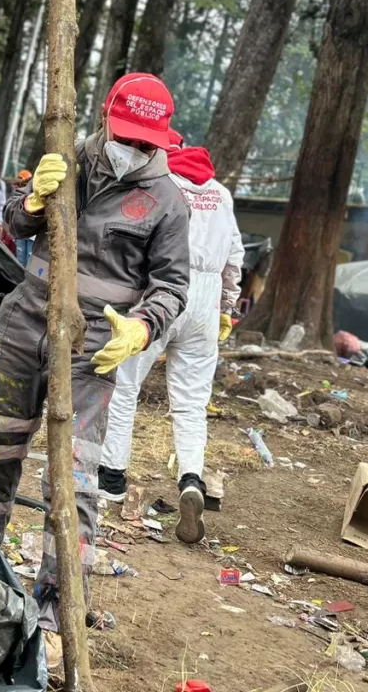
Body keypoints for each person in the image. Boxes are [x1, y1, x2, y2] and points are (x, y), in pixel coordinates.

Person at [0, 72, 190, 671]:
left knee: (74, 481)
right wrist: (34, 199)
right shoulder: (68, 156)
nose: (133, 150)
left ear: (161, 141)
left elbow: (172, 286)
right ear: (105, 118)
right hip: (25, 320)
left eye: (147, 143)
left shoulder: (167, 201)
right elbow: (13, 224)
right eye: (126, 137)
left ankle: (57, 608)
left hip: (94, 341)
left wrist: (141, 329)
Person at [99, 132, 243, 545]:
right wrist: (226, 309)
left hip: (163, 289)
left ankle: (111, 477)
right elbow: (235, 256)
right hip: (208, 295)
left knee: (125, 384)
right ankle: (191, 479)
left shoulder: (163, 184)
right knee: (192, 403)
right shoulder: (221, 193)